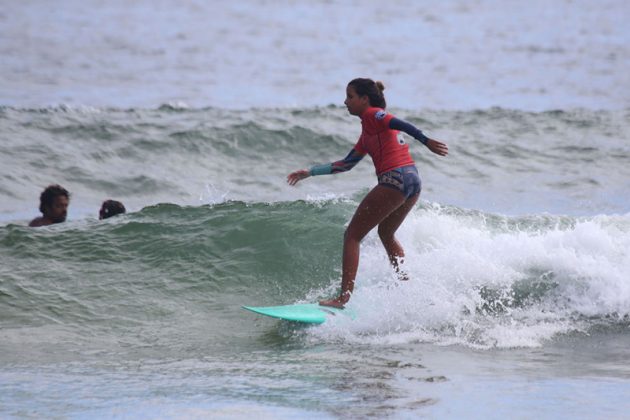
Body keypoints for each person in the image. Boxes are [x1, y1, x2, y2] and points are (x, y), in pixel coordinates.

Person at [287, 78, 448, 308]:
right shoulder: (368, 132)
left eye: (350, 96)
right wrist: (310, 172)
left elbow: (399, 123)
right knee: (386, 233)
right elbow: (346, 164)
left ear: (365, 99)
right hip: (413, 181)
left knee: (352, 236)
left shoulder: (375, 115)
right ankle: (406, 287)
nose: (345, 102)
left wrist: (426, 140)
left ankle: (343, 298)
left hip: (395, 178)